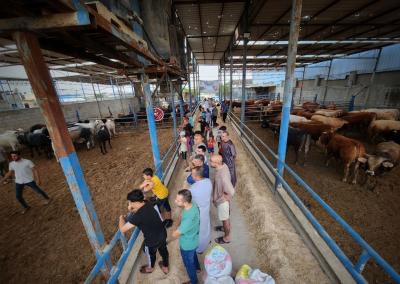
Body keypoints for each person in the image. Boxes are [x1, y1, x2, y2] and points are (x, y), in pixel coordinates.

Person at [119, 189, 169, 274]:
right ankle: (165, 267)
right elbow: (139, 210)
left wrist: (121, 218)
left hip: (152, 241)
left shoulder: (138, 217)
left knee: (150, 254)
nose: (129, 204)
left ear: (134, 202)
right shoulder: (147, 202)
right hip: (163, 234)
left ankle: (150, 268)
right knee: (164, 250)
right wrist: (132, 209)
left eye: (130, 202)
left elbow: (122, 229)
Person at [172, 189, 200, 284]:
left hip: (187, 245)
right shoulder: (193, 204)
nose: (175, 201)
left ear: (185, 202)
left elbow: (175, 234)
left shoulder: (187, 220)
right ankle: (198, 268)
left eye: (178, 200)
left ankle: (194, 281)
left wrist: (175, 229)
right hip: (194, 239)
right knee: (193, 256)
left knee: (189, 264)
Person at [209, 154, 235, 244]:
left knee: (225, 219)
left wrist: (225, 197)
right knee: (225, 217)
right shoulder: (223, 166)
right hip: (221, 199)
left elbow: (231, 191)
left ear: (216, 163)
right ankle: (224, 228)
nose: (209, 162)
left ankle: (227, 237)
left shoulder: (222, 176)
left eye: (211, 161)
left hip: (223, 201)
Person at [189, 166, 212, 254]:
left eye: (192, 174)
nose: (191, 175)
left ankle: (200, 249)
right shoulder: (208, 181)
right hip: (206, 208)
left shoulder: (192, 189)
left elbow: (189, 202)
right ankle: (208, 240)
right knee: (206, 225)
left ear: (195, 176)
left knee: (200, 230)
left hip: (198, 212)